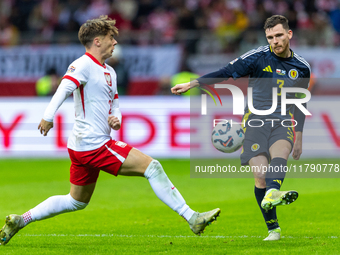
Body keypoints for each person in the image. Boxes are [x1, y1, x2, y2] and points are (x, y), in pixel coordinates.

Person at [0, 15, 220, 246]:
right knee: (153, 168)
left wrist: (117, 119)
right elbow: (63, 88)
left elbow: (115, 105)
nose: (115, 42)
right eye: (110, 37)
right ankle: (191, 217)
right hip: (93, 144)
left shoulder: (110, 72)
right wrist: (47, 116)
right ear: (97, 41)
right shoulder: (82, 64)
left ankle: (21, 220)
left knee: (77, 201)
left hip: (83, 145)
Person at [172, 15, 310, 241]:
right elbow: (226, 71)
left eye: (278, 36)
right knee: (261, 177)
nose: (274, 41)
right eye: (270, 37)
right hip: (255, 120)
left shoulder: (302, 68)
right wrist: (192, 83)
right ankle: (273, 227)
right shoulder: (257, 57)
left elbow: (301, 103)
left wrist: (300, 136)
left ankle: (274, 195)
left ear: (289, 34)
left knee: (280, 154)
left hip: (283, 120)